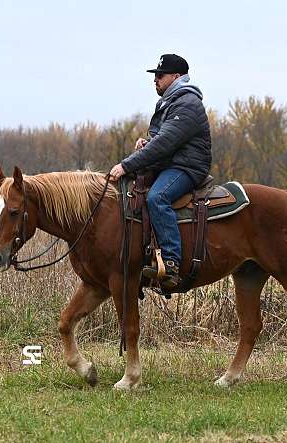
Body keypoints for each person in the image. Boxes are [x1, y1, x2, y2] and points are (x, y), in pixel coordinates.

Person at [109, 54, 212, 289]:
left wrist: (126, 165)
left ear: (176, 77)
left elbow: (166, 142)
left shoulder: (187, 103)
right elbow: (160, 138)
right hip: (171, 163)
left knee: (158, 197)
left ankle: (171, 261)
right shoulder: (170, 101)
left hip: (187, 167)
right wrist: (147, 142)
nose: (155, 79)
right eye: (155, 75)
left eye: (160, 75)